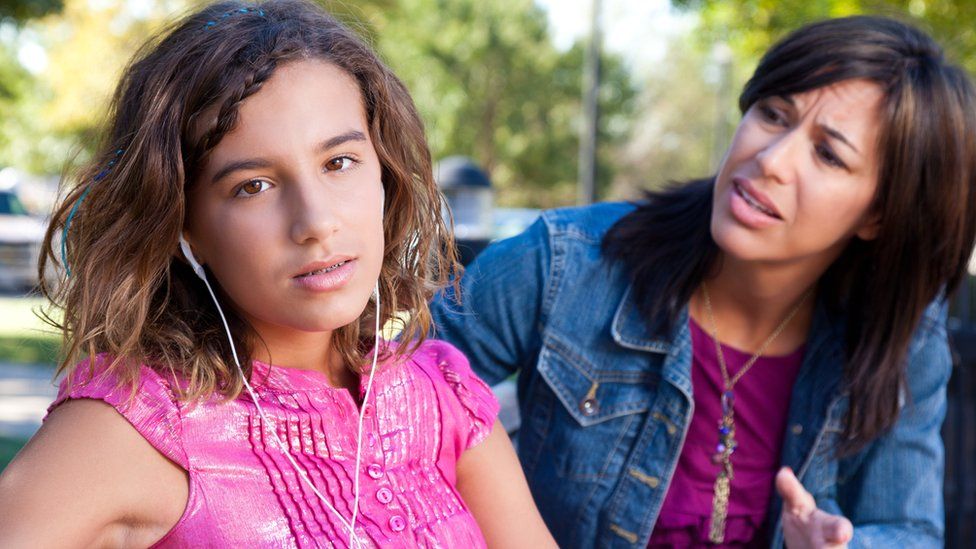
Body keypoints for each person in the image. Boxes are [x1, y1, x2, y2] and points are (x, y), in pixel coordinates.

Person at [0, 1, 555, 547]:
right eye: (253, 186)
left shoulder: (442, 392)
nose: (316, 223)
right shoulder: (143, 425)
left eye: (339, 162)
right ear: (184, 225)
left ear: (384, 172)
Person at [431, 15, 976, 548]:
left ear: (879, 214)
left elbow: (909, 529)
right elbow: (382, 396)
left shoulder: (902, 338)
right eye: (774, 114)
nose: (772, 160)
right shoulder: (569, 262)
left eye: (828, 154)